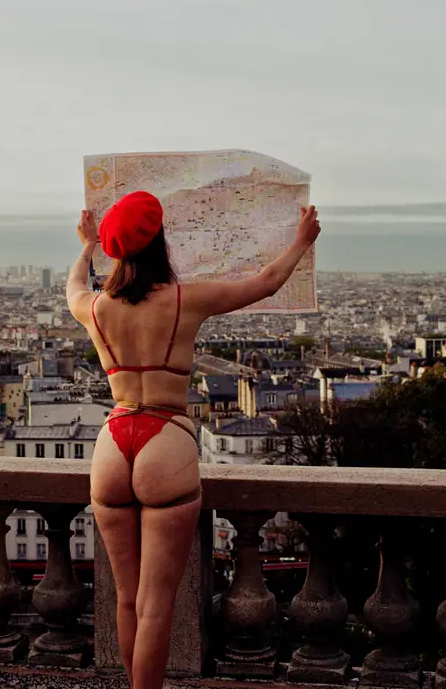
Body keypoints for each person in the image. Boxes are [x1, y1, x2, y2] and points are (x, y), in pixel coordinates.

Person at [66, 191, 320, 689]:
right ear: (160, 239)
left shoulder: (94, 308)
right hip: (166, 437)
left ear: (117, 251)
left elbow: (74, 285)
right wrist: (301, 241)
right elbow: (266, 283)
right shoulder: (185, 299)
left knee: (125, 597)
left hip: (113, 441)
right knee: (157, 604)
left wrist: (86, 247)